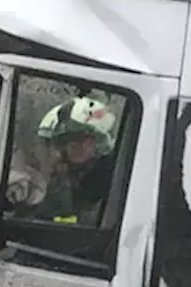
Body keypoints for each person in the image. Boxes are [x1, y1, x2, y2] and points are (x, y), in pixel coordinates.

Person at [6, 96, 118, 224]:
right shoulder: (23, 175)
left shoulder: (88, 187)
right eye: (75, 138)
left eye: (90, 140)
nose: (83, 146)